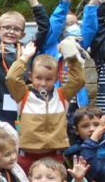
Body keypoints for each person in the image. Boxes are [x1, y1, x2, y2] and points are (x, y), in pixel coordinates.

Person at [5, 38, 86, 172]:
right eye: (39, 78)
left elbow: (79, 80)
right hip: (27, 156)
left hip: (54, 155)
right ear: (31, 76)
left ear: (57, 78)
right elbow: (11, 78)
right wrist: (24, 57)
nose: (43, 83)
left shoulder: (62, 95)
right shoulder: (23, 95)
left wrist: (71, 57)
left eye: (49, 79)